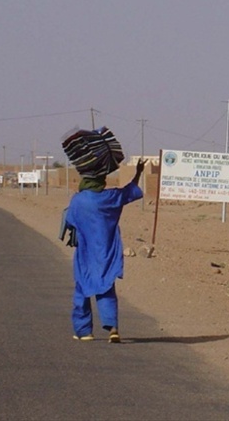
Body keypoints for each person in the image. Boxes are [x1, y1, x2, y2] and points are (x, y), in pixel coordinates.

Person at [61, 126, 146, 343]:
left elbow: (70, 222)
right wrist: (138, 172)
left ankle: (84, 331)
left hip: (86, 254)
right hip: (107, 252)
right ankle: (113, 328)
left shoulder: (78, 201)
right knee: (106, 287)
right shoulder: (110, 198)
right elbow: (129, 191)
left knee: (82, 288)